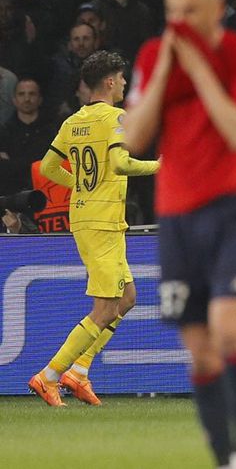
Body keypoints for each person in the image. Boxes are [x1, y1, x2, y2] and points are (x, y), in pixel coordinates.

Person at [123, 0, 236, 468]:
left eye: (189, 12)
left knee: (230, 332)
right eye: (172, 13)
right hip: (176, 218)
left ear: (216, 8)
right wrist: (166, 68)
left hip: (231, 210)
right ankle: (223, 457)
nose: (179, 22)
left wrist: (199, 68)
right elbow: (133, 139)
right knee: (202, 352)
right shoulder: (150, 56)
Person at [28, 50, 159, 408]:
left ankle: (80, 371)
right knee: (104, 307)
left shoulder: (74, 122)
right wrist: (158, 166)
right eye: (122, 78)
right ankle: (49, 375)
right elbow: (119, 162)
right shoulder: (116, 117)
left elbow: (49, 167)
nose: (125, 84)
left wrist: (82, 187)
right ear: (110, 81)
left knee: (127, 299)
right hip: (101, 221)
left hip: (88, 216)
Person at [0, 77, 56, 196]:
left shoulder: (52, 130)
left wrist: (14, 164)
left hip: (48, 193)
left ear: (40, 99)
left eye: (32, 94)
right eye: (21, 94)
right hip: (13, 195)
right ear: (14, 100)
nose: (27, 99)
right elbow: (3, 171)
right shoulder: (4, 132)